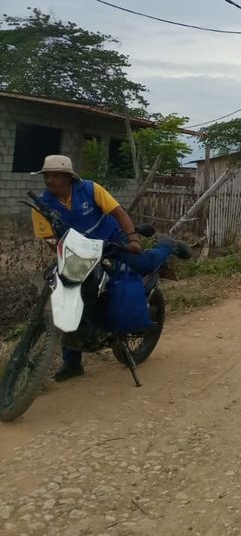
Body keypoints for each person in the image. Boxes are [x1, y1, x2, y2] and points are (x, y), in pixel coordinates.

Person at [30, 154, 190, 382]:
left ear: (68, 177)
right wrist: (67, 255)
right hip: (78, 253)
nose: (49, 180)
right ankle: (72, 363)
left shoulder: (90, 189)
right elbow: (48, 239)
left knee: (142, 264)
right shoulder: (41, 204)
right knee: (71, 297)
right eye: (47, 176)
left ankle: (166, 245)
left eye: (55, 175)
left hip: (112, 241)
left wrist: (132, 239)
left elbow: (118, 213)